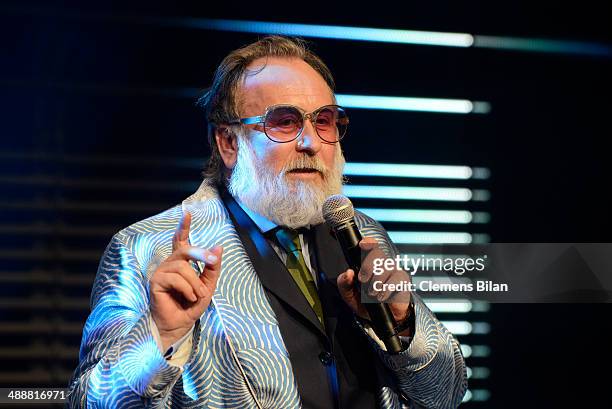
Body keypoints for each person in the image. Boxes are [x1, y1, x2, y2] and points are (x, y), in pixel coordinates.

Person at [67, 36, 467, 408]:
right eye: (285, 122)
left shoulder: (363, 234)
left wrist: (402, 327)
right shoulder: (146, 247)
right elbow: (87, 399)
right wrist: (161, 337)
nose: (311, 143)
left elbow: (446, 394)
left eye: (324, 121)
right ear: (228, 142)